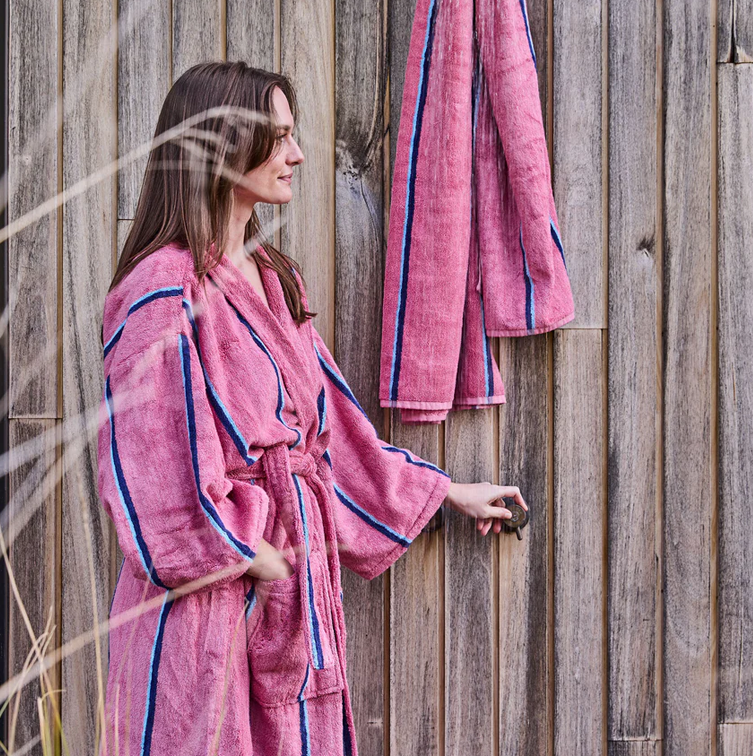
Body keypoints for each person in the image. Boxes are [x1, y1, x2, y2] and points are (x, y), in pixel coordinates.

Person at [96, 60, 526, 756]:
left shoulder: (275, 279)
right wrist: (258, 557)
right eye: (279, 137)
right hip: (208, 613)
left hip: (295, 605)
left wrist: (446, 491)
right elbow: (156, 477)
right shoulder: (161, 291)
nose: (296, 154)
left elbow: (333, 436)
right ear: (223, 144)